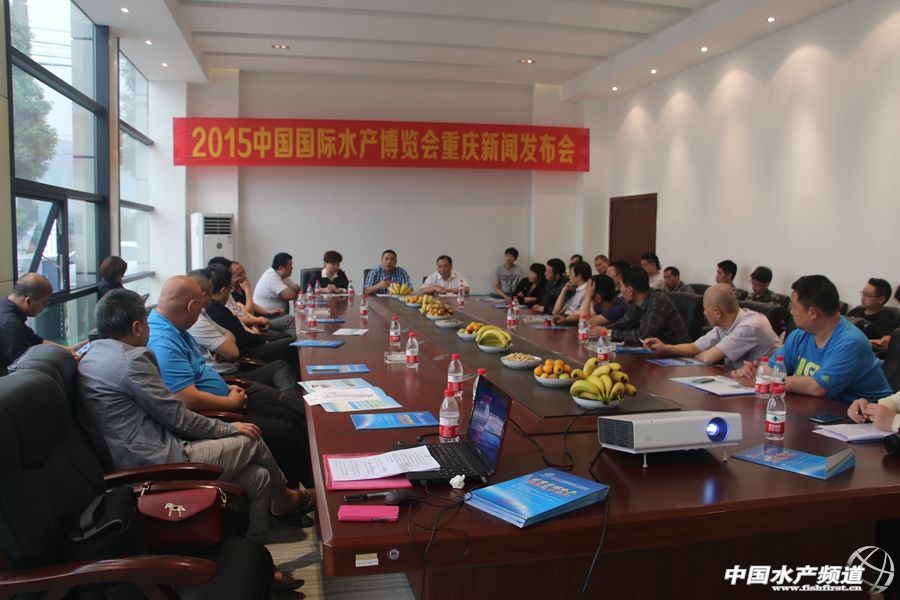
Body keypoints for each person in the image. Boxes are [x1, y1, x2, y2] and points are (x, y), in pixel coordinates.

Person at [77, 289, 314, 541]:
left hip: (132, 457)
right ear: (136, 328)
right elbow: (178, 417)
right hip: (154, 462)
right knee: (251, 439)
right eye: (146, 323)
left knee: (259, 476)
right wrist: (229, 428)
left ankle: (256, 545)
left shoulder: (91, 354)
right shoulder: (131, 360)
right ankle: (285, 499)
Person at [147, 275, 312, 488]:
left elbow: (199, 371)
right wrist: (230, 402)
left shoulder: (173, 327)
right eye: (200, 307)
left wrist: (226, 387)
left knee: (295, 413)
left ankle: (308, 485)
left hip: (229, 392)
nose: (202, 311)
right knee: (287, 432)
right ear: (192, 306)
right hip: (219, 410)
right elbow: (187, 399)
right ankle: (299, 495)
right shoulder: (163, 342)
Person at [731, 275, 892, 404]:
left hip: (864, 420)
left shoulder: (850, 342)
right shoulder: (800, 335)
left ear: (812, 313)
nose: (791, 312)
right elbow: (773, 368)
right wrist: (755, 373)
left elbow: (817, 387)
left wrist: (765, 379)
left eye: (794, 307)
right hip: (820, 411)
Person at [644, 284, 780, 369]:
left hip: (767, 386)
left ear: (717, 312)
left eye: (705, 309)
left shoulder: (750, 326)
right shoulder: (724, 324)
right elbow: (694, 347)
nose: (703, 313)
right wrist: (666, 348)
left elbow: (708, 358)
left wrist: (698, 355)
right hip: (740, 379)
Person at [204, 266, 299, 370]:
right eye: (230, 289)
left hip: (251, 337)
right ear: (223, 291)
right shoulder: (218, 310)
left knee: (287, 339)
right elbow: (242, 337)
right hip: (248, 352)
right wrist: (259, 336)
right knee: (292, 343)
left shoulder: (214, 307)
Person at [0, 273, 85, 376]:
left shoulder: (5, 306)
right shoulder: (10, 324)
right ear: (28, 300)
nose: (44, 308)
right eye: (44, 303)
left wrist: (68, 350)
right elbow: (24, 364)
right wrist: (65, 360)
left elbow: (36, 340)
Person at [604, 267, 690, 345]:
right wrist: (603, 329)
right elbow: (625, 322)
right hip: (655, 352)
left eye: (621, 287)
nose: (620, 290)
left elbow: (644, 336)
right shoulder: (637, 302)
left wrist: (610, 333)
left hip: (676, 353)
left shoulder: (658, 300)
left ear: (630, 290)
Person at [847, 278, 896, 353]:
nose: (862, 298)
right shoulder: (855, 311)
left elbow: (885, 342)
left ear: (881, 299)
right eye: (863, 293)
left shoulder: (890, 319)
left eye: (867, 295)